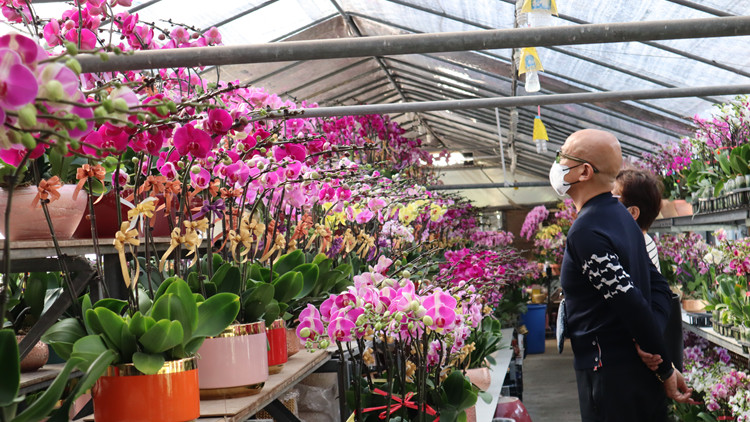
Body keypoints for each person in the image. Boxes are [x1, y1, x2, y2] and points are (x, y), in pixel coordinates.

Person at [551, 129, 693, 422]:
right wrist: (653, 350)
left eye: (562, 156)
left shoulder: (587, 231)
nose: (557, 163)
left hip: (609, 377)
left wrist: (663, 365)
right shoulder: (622, 218)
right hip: (634, 375)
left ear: (585, 171)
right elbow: (659, 289)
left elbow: (631, 301)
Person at [613, 169, 684, 372]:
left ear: (632, 213)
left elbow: (642, 301)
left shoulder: (640, 246)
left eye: (613, 199)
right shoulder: (631, 243)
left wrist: (642, 341)